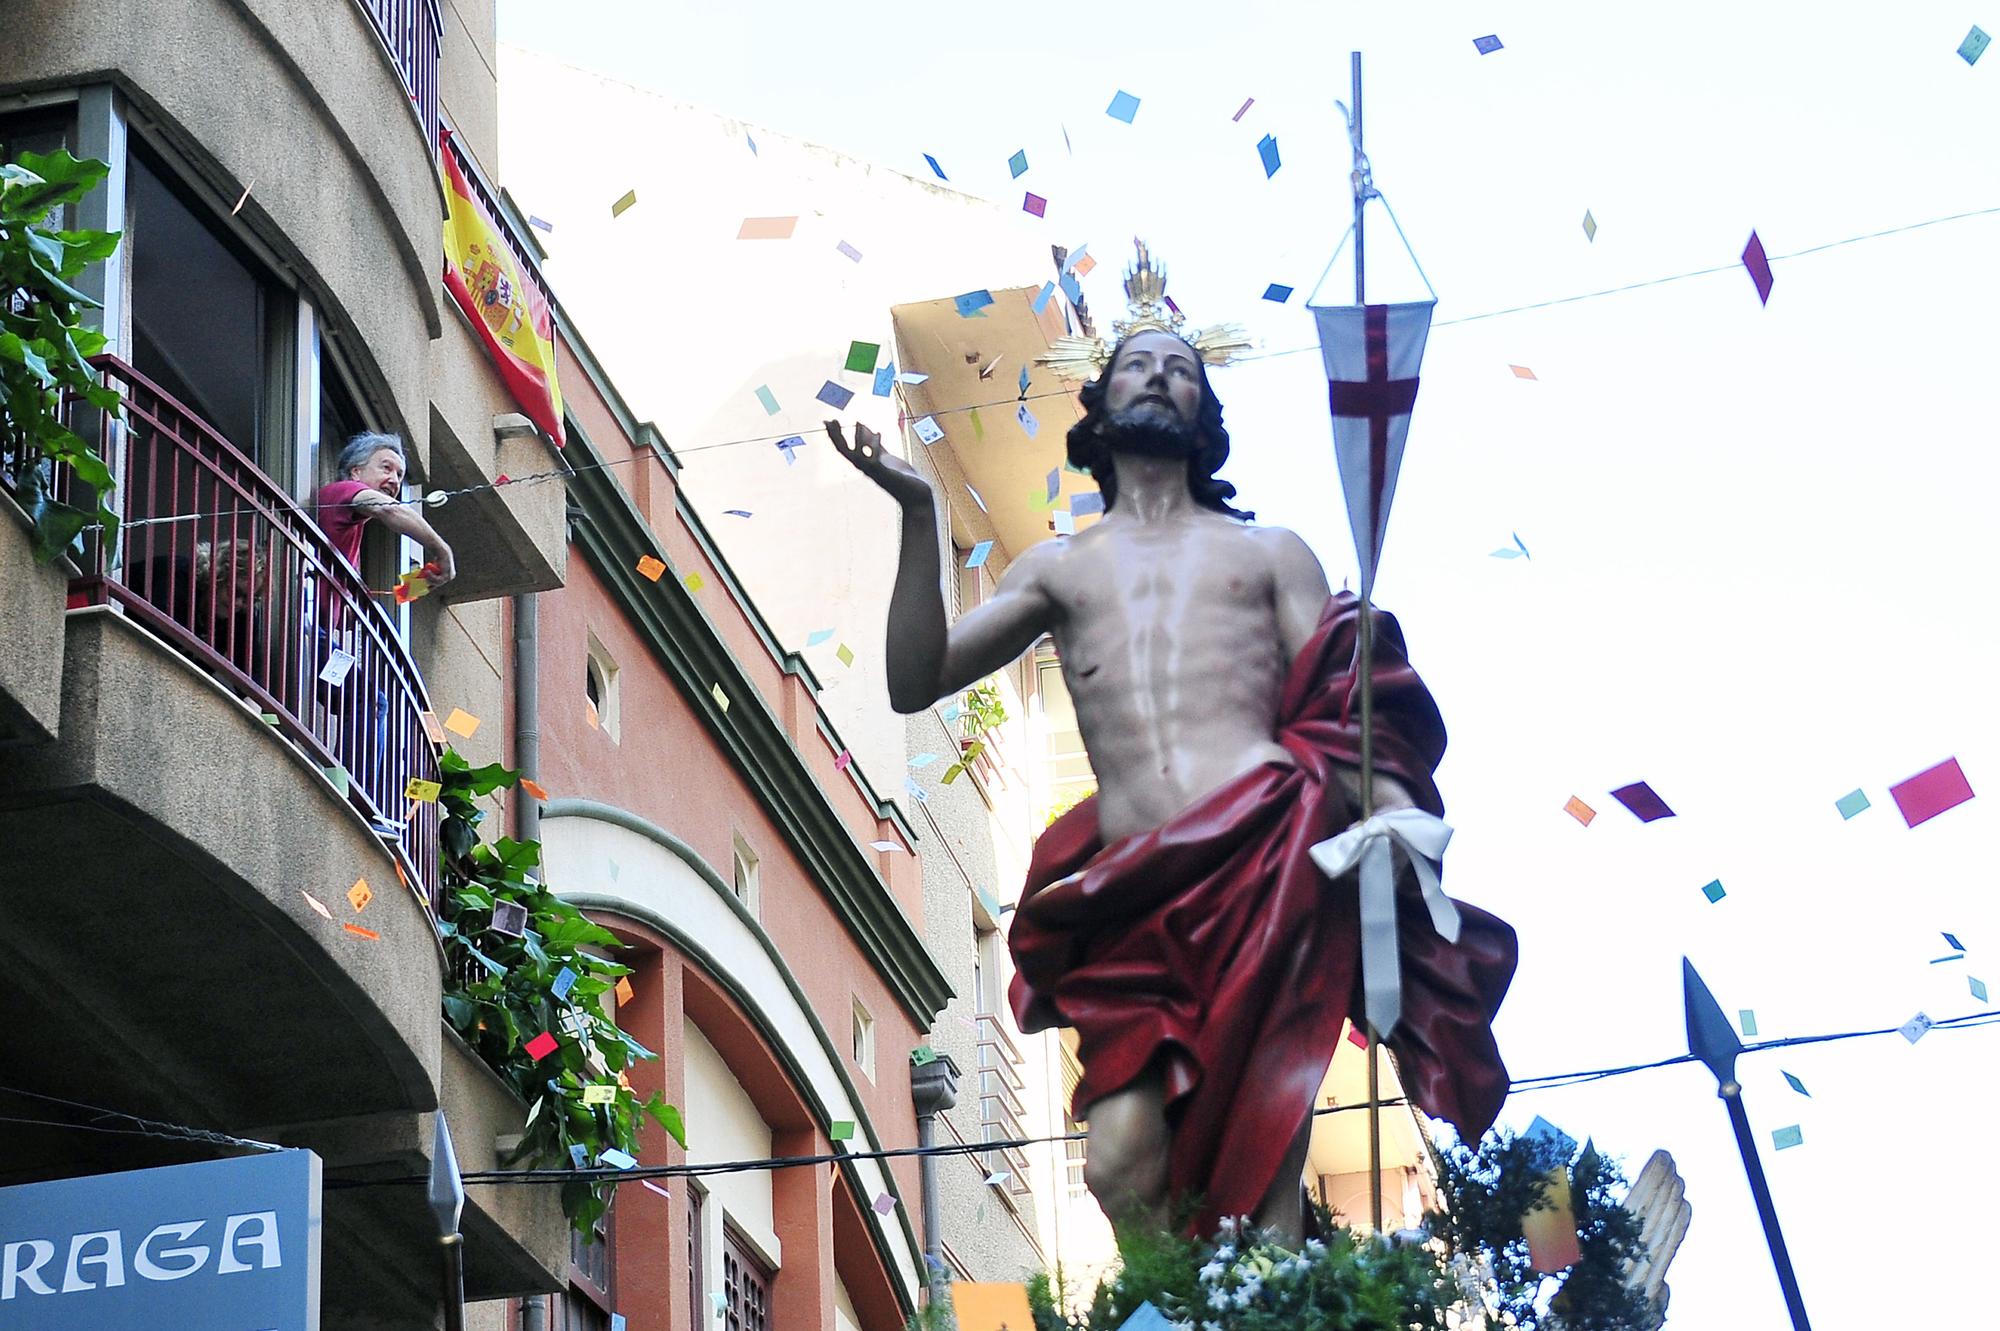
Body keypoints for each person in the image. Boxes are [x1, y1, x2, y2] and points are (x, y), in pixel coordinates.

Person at [828, 299, 1516, 1243]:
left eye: (1181, 369)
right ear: (1100, 409)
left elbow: (1346, 699)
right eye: (1137, 366)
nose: (1159, 376)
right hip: (1134, 897)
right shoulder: (1055, 569)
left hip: (1266, 856)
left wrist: (1393, 817)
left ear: (1205, 418)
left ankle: (1258, 1291)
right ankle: (1187, 1302)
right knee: (1117, 1159)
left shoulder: (1266, 552)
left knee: (1260, 1126)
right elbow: (917, 679)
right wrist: (921, 515)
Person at [314, 432, 457, 590]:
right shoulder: (342, 490)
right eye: (386, 468)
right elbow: (390, 509)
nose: (395, 480)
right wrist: (442, 550)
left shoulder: (353, 524)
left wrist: (419, 585)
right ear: (356, 472)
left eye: (399, 475)